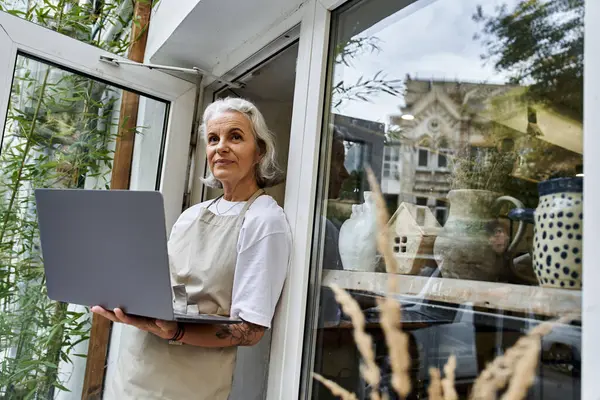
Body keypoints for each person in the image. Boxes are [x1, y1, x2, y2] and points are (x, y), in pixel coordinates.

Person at [92, 97, 292, 399]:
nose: (221, 147)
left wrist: (177, 332)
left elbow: (251, 330)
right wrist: (125, 301)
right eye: (213, 139)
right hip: (136, 368)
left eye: (235, 137)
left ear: (259, 151)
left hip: (189, 384)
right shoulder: (192, 215)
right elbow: (165, 288)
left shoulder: (264, 220)